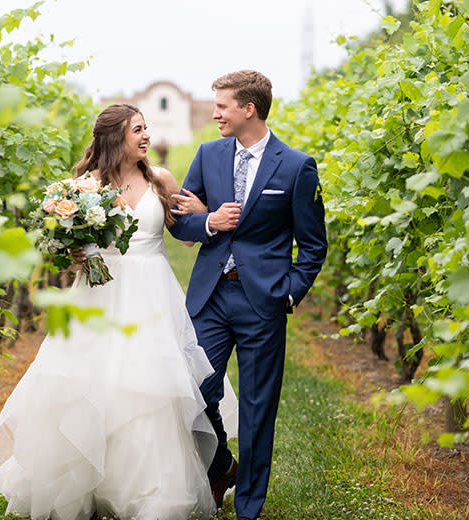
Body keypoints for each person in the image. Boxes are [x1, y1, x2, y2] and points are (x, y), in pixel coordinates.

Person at [0, 103, 238, 520]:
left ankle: (154, 489)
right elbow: (61, 249)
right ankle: (90, 482)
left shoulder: (160, 179)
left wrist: (208, 220)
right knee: (95, 385)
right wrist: (76, 253)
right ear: (114, 137)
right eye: (137, 130)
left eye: (146, 128)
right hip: (99, 296)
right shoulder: (83, 187)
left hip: (153, 295)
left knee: (150, 387)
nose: (146, 136)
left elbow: (184, 235)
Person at [169, 70, 328, 520]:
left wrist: (291, 294)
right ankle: (221, 465)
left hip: (264, 302)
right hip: (210, 296)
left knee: (259, 409)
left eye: (222, 105)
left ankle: (249, 508)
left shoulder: (297, 166)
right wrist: (209, 223)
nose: (215, 112)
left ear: (248, 109)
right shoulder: (207, 155)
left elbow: (313, 244)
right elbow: (179, 218)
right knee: (195, 391)